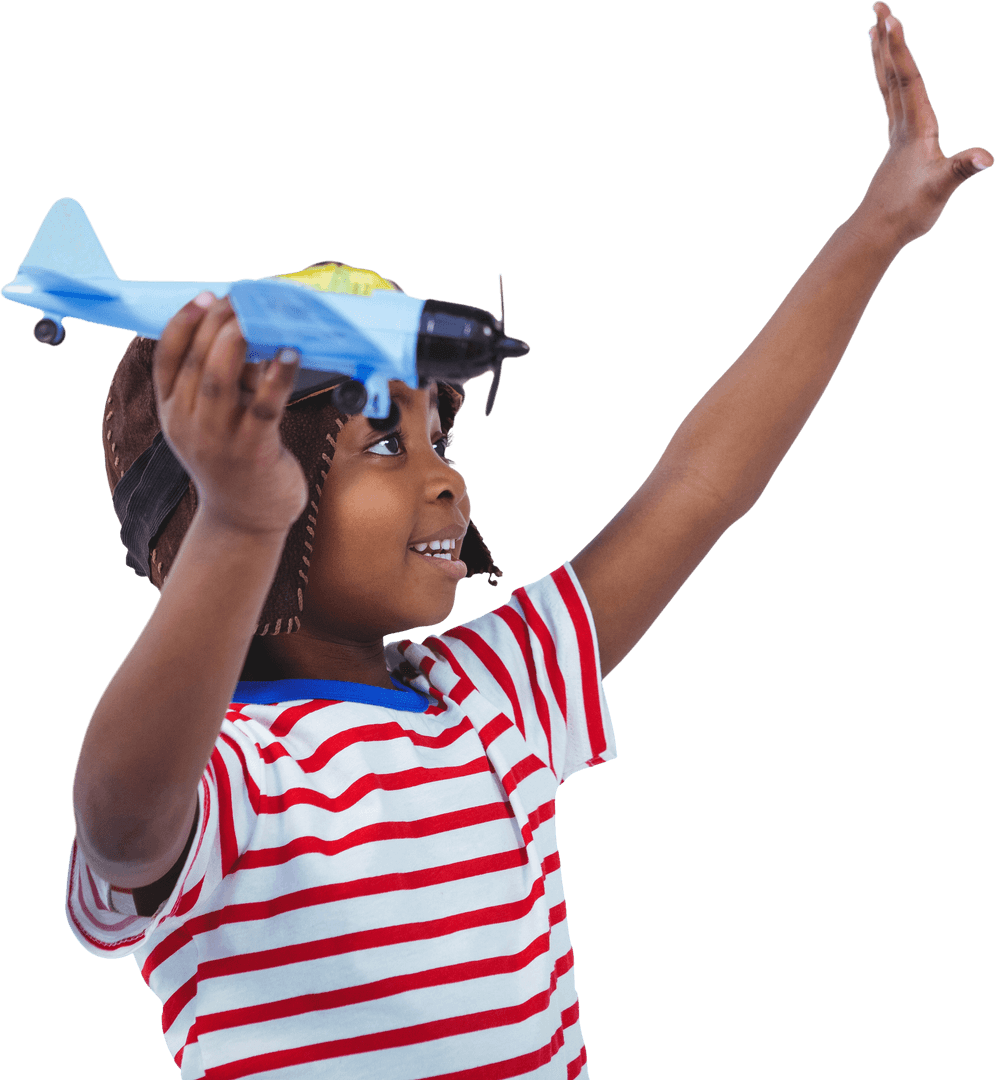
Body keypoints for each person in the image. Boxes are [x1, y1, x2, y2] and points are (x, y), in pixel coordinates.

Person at [65, 6, 990, 1078]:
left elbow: (698, 485)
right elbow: (122, 822)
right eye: (380, 445)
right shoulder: (225, 778)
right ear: (215, 503)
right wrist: (240, 522)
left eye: (438, 435)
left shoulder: (492, 693)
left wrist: (872, 228)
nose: (446, 480)